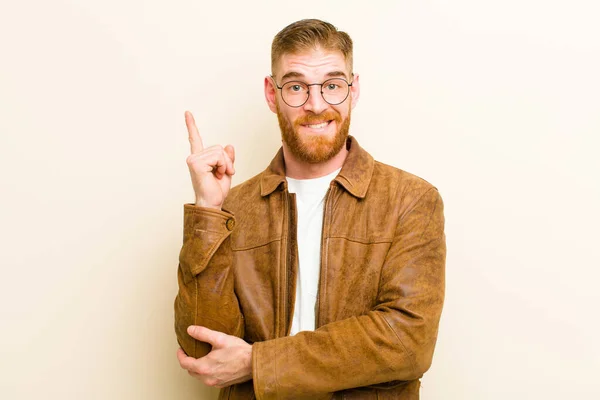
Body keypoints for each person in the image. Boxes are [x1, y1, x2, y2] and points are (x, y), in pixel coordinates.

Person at [174, 19, 446, 400]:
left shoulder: (411, 199)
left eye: (332, 85)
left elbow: (407, 341)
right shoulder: (234, 208)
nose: (316, 105)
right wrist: (208, 212)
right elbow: (202, 351)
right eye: (297, 86)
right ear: (272, 94)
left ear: (353, 91)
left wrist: (260, 363)